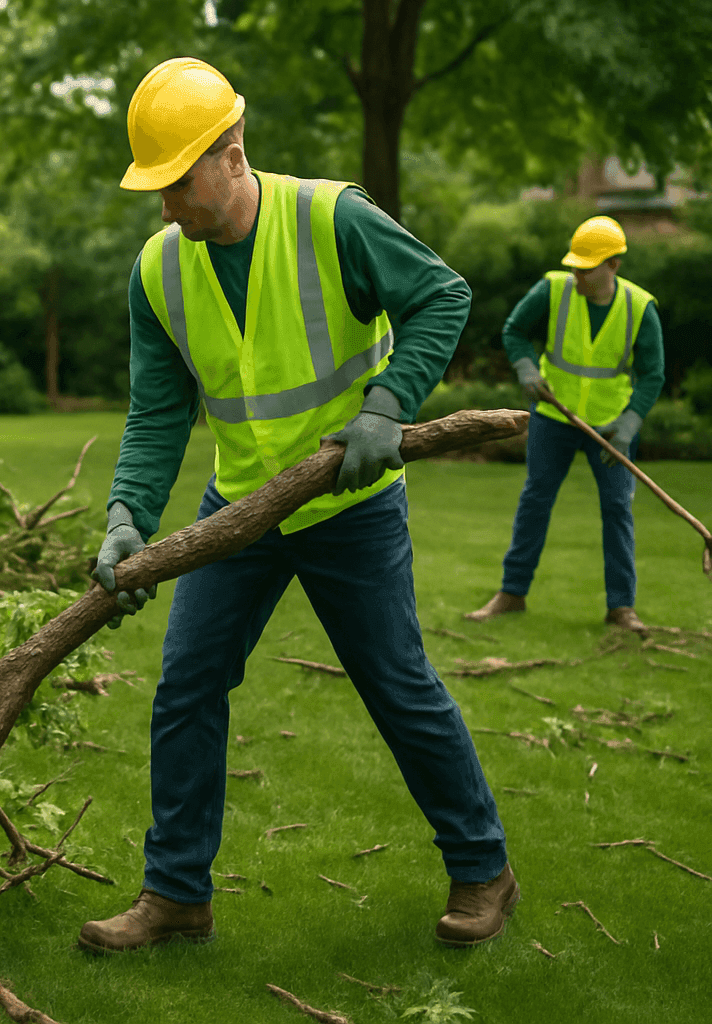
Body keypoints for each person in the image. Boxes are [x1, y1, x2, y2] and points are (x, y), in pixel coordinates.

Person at [80, 58, 514, 953]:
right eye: (154, 188)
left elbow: (443, 296)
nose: (164, 207)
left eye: (175, 183)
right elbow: (160, 410)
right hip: (239, 506)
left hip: (349, 508)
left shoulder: (332, 217)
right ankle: (176, 895)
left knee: (397, 687)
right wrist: (127, 514)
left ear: (231, 155)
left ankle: (484, 870)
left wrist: (388, 407)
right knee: (186, 686)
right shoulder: (159, 270)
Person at [465, 216, 663, 632]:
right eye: (575, 265)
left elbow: (653, 375)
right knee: (535, 500)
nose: (577, 275)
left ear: (614, 265)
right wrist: (524, 368)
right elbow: (515, 329)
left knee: (617, 510)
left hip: (611, 426)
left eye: (586, 268)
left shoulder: (640, 309)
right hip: (554, 417)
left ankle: (621, 608)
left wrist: (629, 423)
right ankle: (512, 593)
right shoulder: (553, 289)